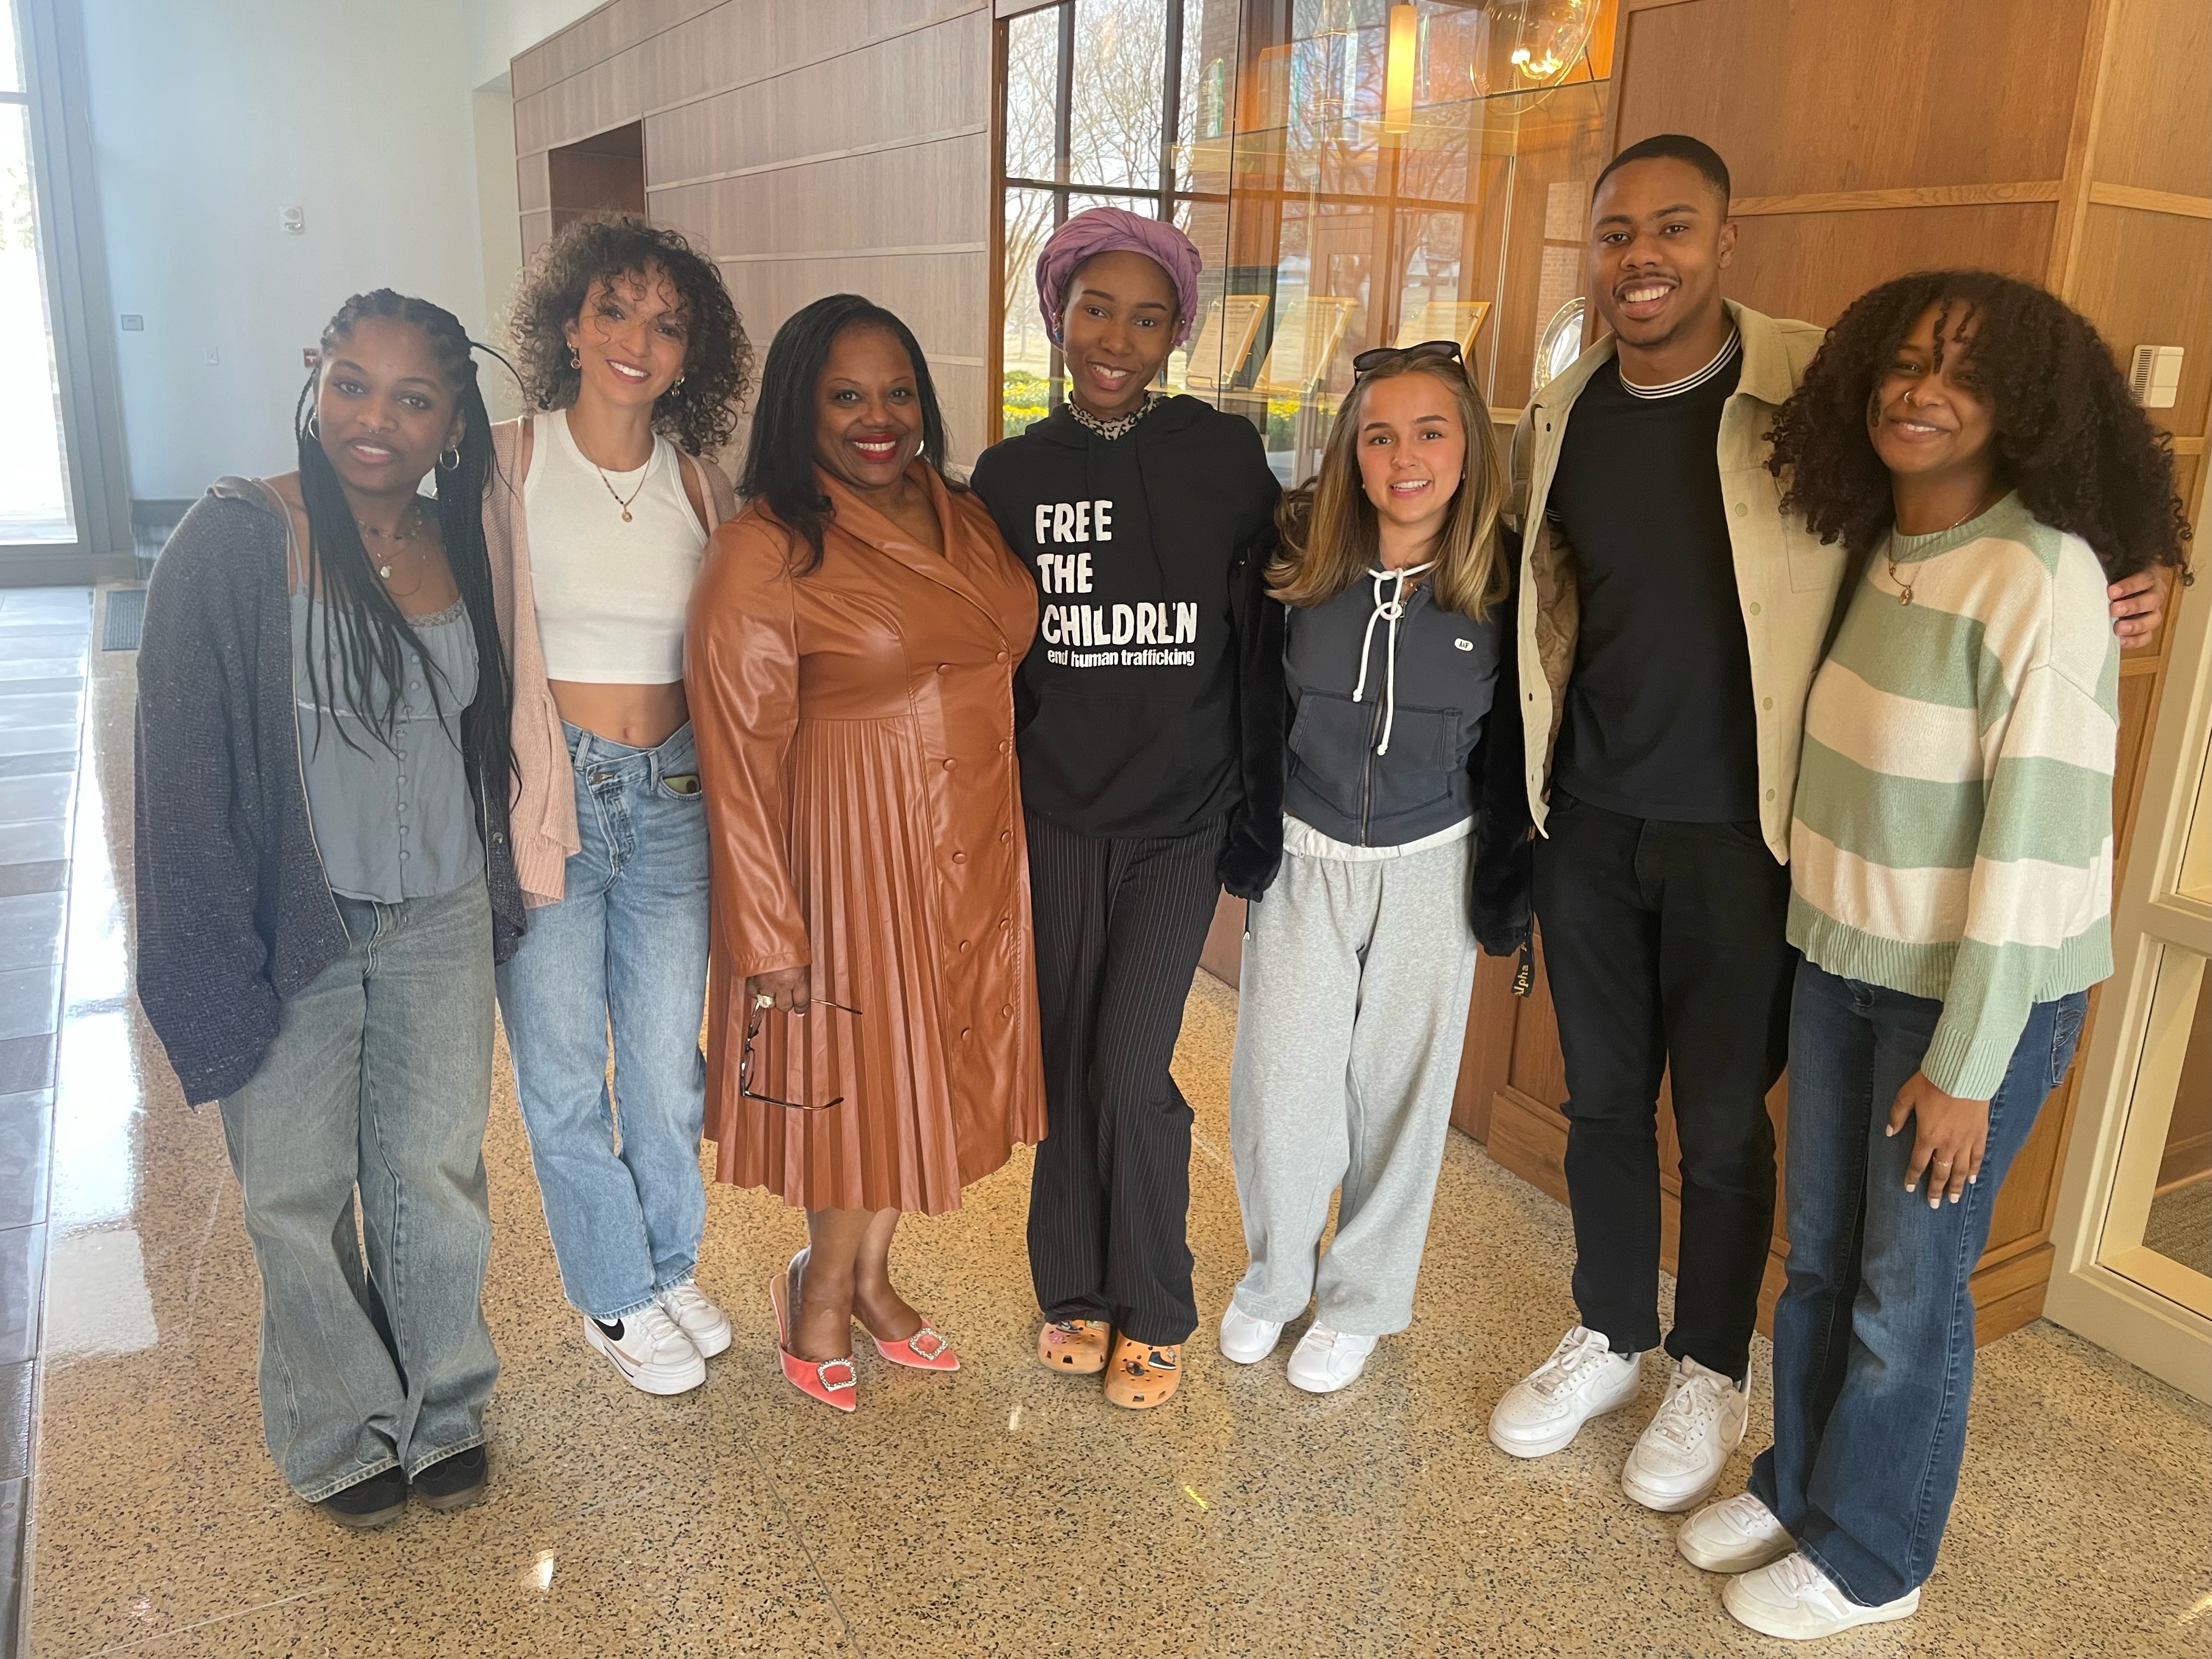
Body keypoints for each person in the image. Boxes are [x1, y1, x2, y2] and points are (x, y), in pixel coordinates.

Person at [1485, 134, 2169, 1512]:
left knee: (1729, 1123)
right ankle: (1611, 1332)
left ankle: (1708, 1371)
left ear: (1727, 242)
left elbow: (1999, 446)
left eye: (1673, 229)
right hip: (1594, 823)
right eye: (1617, 234)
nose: (1643, 258)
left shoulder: (1821, 380)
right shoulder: (1562, 412)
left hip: (1756, 840)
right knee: (1605, 1102)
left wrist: (2137, 558)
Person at [1672, 272, 2189, 1639]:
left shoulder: (2047, 578)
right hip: (1848, 973)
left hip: (1975, 1005)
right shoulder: (1876, 545)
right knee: (1826, 1261)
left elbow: (2037, 853)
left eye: (1961, 372)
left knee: (1910, 1292)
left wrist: (1967, 1067)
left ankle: (1878, 1558)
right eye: (1903, 363)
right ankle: (1800, 1487)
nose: (1921, 390)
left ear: (2022, 407)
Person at [134, 291, 520, 1527]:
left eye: (413, 398)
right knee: (293, 1191)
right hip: (298, 918)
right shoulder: (239, 538)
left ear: (452, 420)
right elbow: (181, 775)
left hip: (441, 910)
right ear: (316, 379)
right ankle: (341, 1423)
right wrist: (211, 955)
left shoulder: (463, 536)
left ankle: (443, 1401)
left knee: (433, 1169)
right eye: (353, 383)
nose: (376, 419)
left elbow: (486, 735)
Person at [688, 294, 1045, 1413]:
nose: (876, 417)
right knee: (854, 1086)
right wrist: (765, 924)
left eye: (896, 392)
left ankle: (877, 1278)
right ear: (802, 406)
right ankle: (822, 1288)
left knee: (923, 1077)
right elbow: (735, 752)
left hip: (973, 837)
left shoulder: (967, 514)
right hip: (848, 847)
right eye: (846, 395)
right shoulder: (766, 549)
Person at [970, 207, 1284, 1410]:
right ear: (1057, 313)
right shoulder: (1011, 476)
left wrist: (1262, 801)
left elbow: (1267, 629)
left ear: (1175, 334)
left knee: (1131, 1060)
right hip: (1054, 818)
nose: (1117, 337)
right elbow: (983, 653)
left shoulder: (1223, 459)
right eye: (1095, 308)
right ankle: (1074, 1288)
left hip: (1180, 819)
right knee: (1062, 1060)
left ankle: (1156, 1297)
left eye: (1147, 317)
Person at [1218, 338, 1521, 1395]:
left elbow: (1525, 741)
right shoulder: (1299, 563)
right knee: (1281, 1085)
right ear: (1352, 451)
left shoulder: (1508, 579)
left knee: (1400, 1095)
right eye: (1380, 434)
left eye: (1430, 431)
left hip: (1434, 864)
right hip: (1306, 857)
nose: (1405, 456)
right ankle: (1274, 1278)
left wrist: (1512, 884)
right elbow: (1254, 708)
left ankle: (1360, 1300)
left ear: (1467, 448)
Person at [486, 215, 748, 1397]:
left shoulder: (702, 484)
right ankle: (610, 1289)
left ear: (692, 355)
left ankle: (665, 1260)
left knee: (661, 1069)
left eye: (667, 323)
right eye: (615, 312)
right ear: (570, 326)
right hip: (553, 795)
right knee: (558, 1069)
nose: (638, 340)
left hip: (676, 798)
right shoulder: (507, 460)